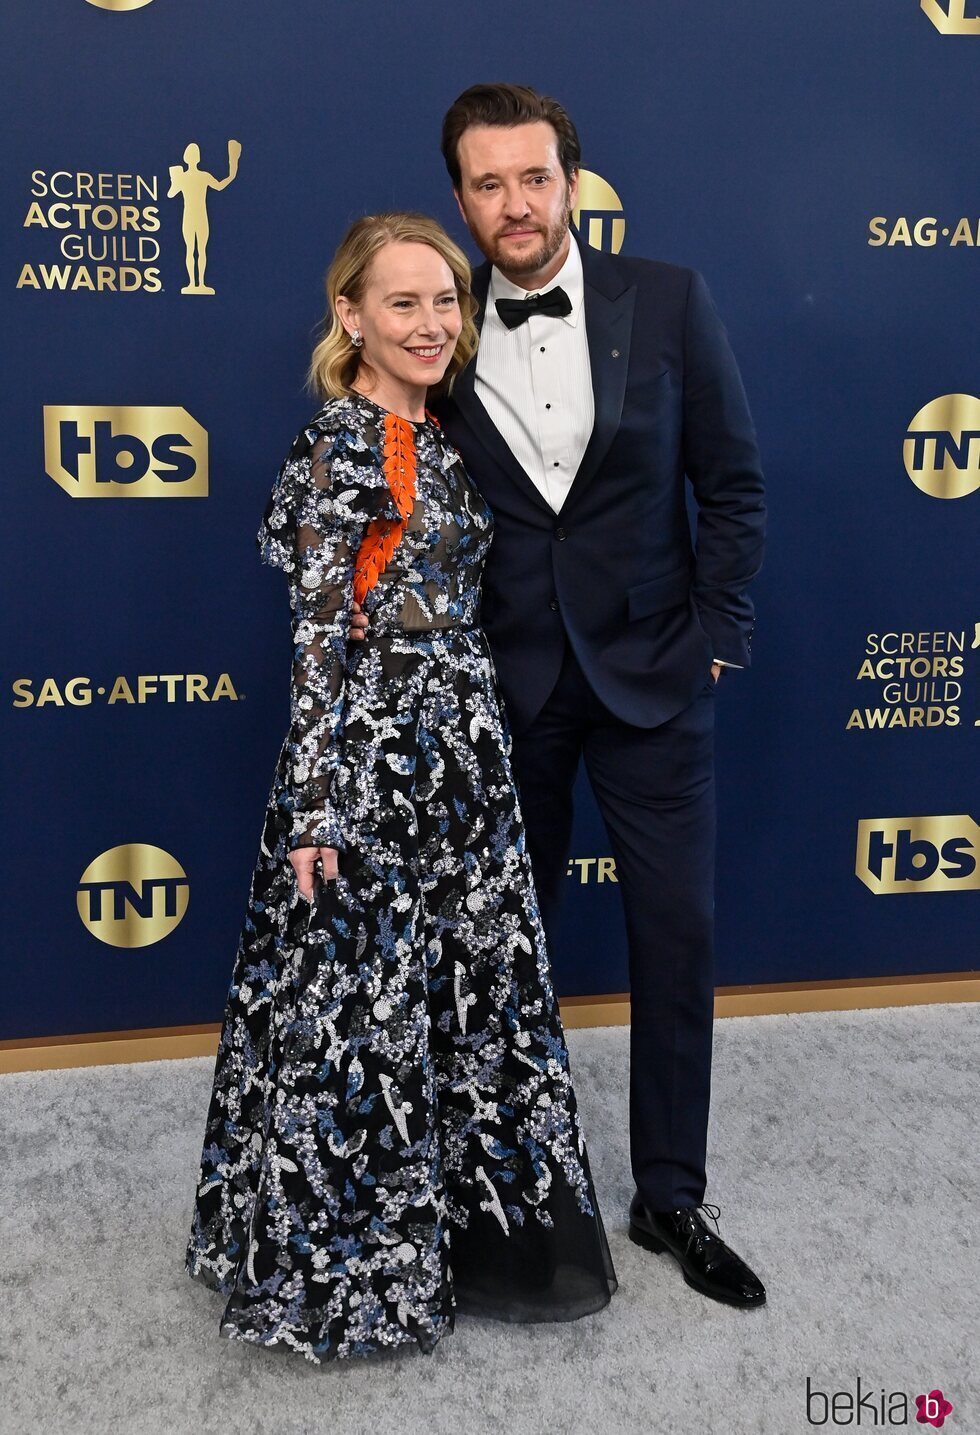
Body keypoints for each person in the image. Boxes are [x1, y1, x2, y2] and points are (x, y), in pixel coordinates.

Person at [355, 83, 768, 1308]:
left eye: (532, 178)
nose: (513, 205)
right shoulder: (442, 323)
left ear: (571, 183)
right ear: (460, 199)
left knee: (674, 938)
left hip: (653, 676)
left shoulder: (671, 300)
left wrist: (712, 640)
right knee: (491, 951)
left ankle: (669, 1196)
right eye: (486, 184)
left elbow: (732, 487)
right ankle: (500, 1204)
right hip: (505, 687)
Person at [184, 210, 618, 1364]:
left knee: (462, 1003)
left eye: (445, 302)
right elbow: (322, 634)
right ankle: (352, 1277)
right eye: (403, 304)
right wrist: (319, 808)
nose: (432, 325)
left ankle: (462, 1243)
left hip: (460, 748)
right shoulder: (346, 443)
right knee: (363, 1017)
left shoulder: (440, 434)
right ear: (350, 316)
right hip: (374, 762)